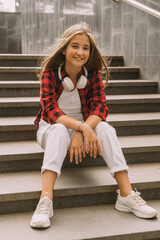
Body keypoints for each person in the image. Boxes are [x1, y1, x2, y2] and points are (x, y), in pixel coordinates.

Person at [30, 22, 157, 228]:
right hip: (51, 131)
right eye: (74, 46)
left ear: (90, 52)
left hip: (83, 129)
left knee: (106, 127)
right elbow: (50, 110)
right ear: (64, 48)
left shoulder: (93, 75)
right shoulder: (49, 74)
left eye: (85, 48)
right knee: (60, 129)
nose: (80, 52)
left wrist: (84, 128)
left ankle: (126, 194)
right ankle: (46, 200)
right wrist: (82, 127)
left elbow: (100, 108)